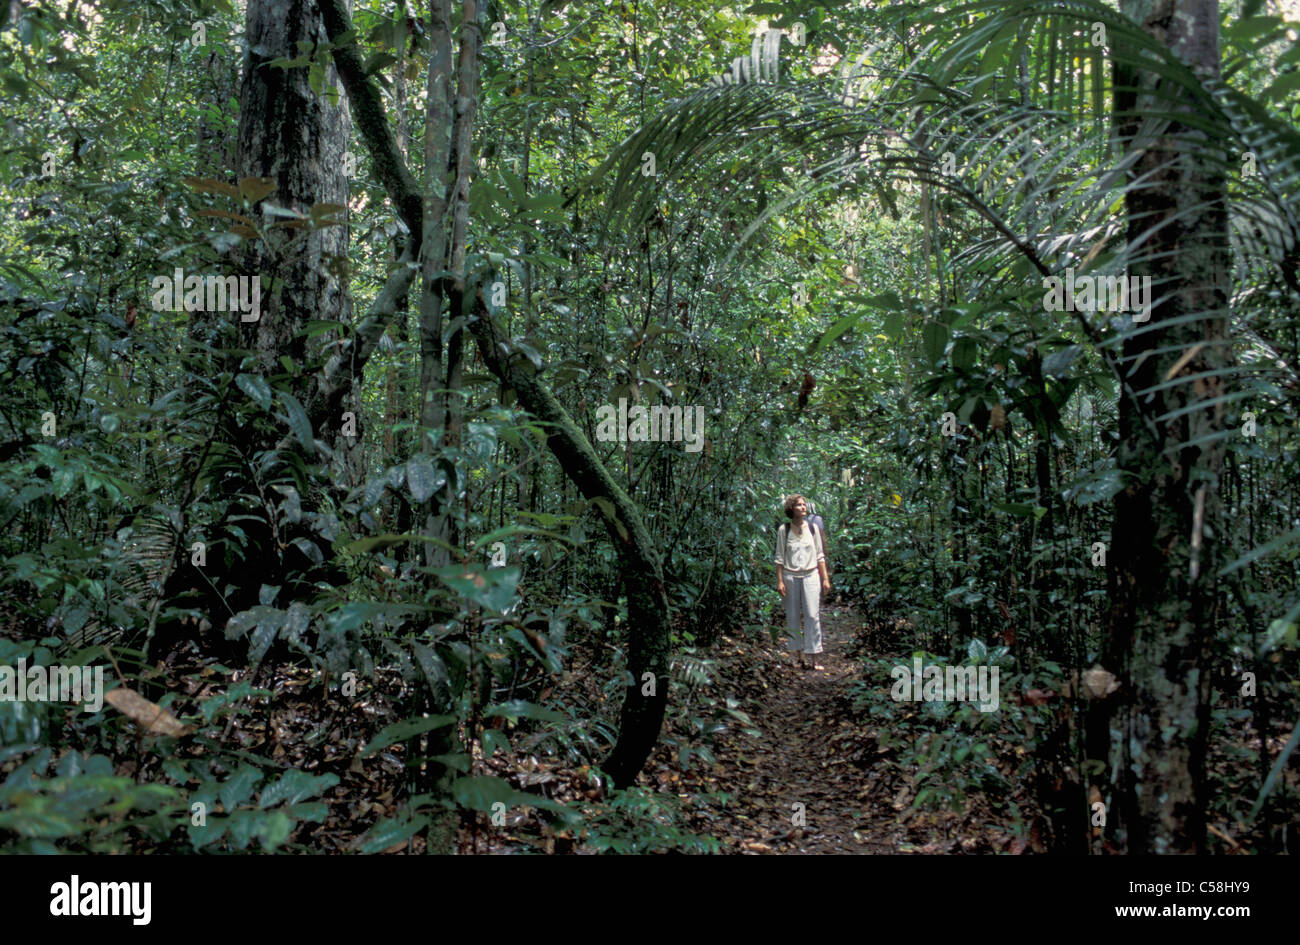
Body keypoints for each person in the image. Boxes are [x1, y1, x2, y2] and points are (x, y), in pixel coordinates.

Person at [774, 494, 831, 670]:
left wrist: (826, 579)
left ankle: (814, 657)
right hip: (790, 576)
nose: (803, 507)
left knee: (812, 615)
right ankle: (797, 656)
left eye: (804, 504)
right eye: (798, 505)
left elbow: (820, 555)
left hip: (811, 575)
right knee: (792, 616)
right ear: (791, 509)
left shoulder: (813, 528)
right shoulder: (784, 530)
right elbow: (779, 558)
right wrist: (780, 581)